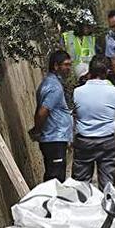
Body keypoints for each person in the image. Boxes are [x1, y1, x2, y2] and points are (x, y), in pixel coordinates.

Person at [72, 55, 115, 190]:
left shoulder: (77, 92)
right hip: (107, 141)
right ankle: (107, 203)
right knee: (107, 185)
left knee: (81, 185)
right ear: (107, 72)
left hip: (84, 141)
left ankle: (82, 202)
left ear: (90, 71)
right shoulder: (114, 92)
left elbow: (75, 112)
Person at [29, 50, 74, 182]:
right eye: (66, 65)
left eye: (70, 65)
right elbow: (42, 112)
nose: (69, 68)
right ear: (56, 66)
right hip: (54, 139)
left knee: (54, 176)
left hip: (54, 138)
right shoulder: (54, 87)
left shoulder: (49, 83)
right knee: (55, 179)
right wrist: (37, 130)